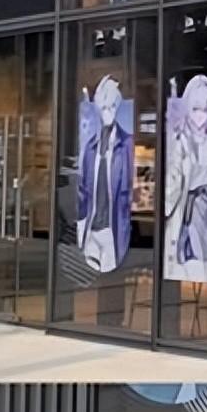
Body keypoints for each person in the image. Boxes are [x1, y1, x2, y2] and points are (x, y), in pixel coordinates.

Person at [165, 75, 207, 284]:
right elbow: (173, 180)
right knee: (189, 263)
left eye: (205, 110)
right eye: (195, 109)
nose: (200, 116)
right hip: (187, 210)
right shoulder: (180, 140)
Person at [77, 75, 134, 273]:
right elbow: (83, 189)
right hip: (91, 229)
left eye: (112, 107)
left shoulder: (126, 144)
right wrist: (81, 225)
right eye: (104, 107)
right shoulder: (90, 147)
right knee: (91, 273)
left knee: (110, 271)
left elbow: (130, 188)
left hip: (113, 230)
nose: (108, 112)